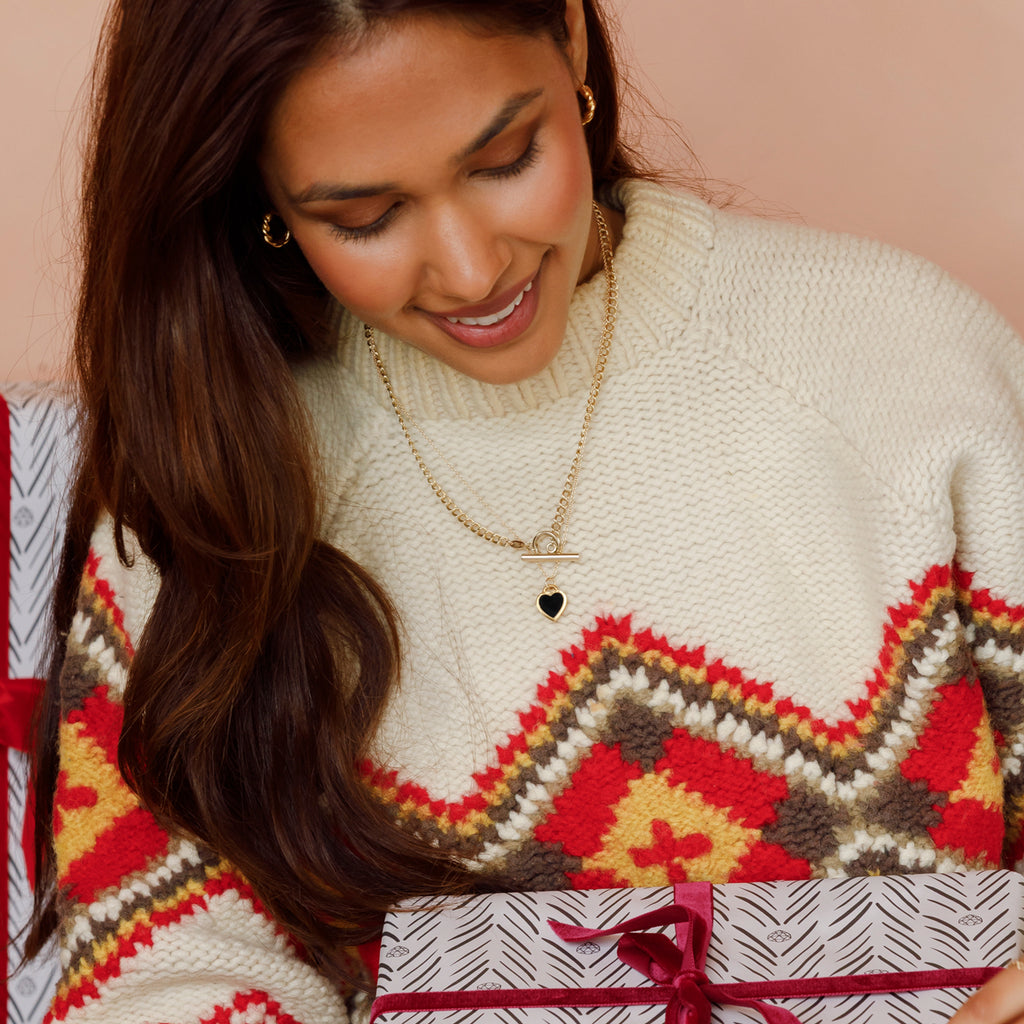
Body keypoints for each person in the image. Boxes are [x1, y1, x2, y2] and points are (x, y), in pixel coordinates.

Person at [26, 0, 1024, 1021]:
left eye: (504, 156)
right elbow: (160, 971)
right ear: (261, 192)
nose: (470, 269)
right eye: (362, 217)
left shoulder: (901, 368)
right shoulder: (211, 486)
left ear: (572, 42)